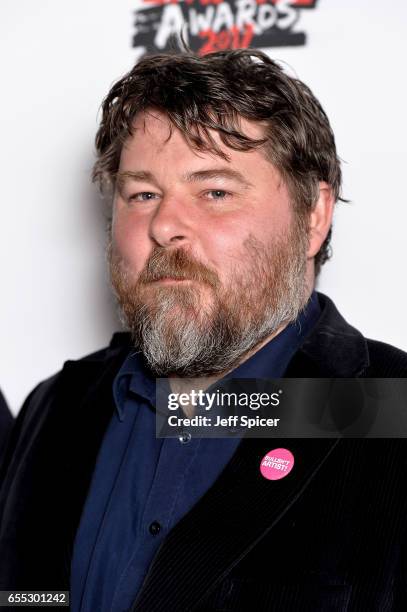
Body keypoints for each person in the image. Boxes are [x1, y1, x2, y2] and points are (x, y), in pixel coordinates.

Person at [1, 49, 407, 611]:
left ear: (313, 215)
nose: (165, 225)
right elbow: (28, 597)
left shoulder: (392, 413)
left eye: (215, 191)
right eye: (142, 194)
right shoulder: (57, 408)